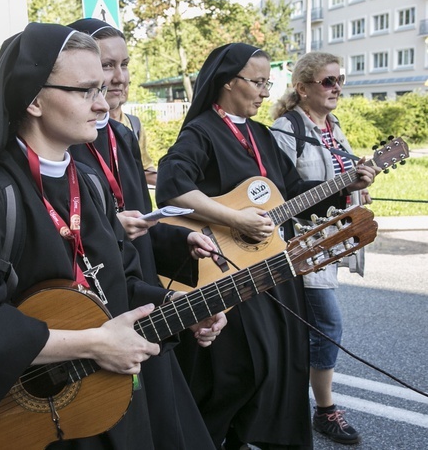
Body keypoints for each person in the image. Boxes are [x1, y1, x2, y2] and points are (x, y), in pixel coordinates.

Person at [0, 22, 223, 449]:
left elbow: (121, 287)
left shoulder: (89, 184)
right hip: (35, 422)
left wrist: (182, 306)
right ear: (34, 100)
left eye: (102, 89)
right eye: (86, 91)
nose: (102, 105)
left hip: (106, 404)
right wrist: (94, 342)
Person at [156, 43, 377, 450]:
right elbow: (173, 186)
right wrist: (235, 218)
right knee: (240, 370)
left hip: (272, 268)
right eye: (257, 82)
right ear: (227, 83)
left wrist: (346, 185)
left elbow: (291, 193)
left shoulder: (259, 133)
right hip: (228, 273)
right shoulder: (201, 131)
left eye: (266, 82)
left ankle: (250, 440)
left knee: (281, 365)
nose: (264, 91)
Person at [68, 18, 224, 449]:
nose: (117, 78)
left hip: (142, 296)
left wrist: (178, 240)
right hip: (98, 311)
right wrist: (105, 229)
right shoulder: (68, 137)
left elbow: (139, 216)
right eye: (106, 65)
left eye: (124, 64)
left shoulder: (122, 133)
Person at [270, 51, 366, 445]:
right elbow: (280, 195)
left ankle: (286, 404)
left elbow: (340, 176)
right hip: (300, 247)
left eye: (340, 80)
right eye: (328, 81)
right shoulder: (285, 129)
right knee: (326, 325)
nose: (337, 87)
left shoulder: (334, 125)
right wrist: (343, 185)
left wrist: (361, 176)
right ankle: (323, 410)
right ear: (302, 87)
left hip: (331, 242)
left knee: (306, 329)